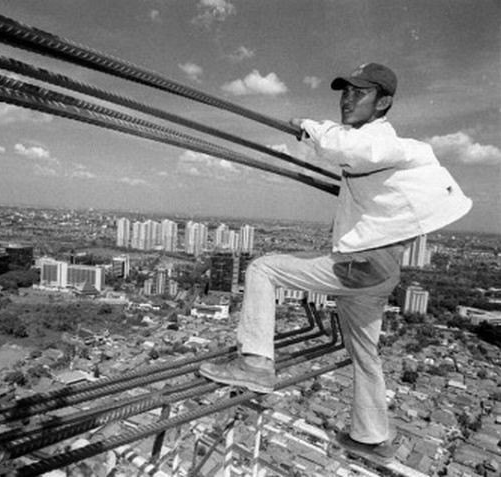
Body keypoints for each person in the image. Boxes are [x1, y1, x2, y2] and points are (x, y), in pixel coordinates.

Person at [199, 63, 472, 459]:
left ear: (384, 103)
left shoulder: (380, 141)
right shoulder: (380, 156)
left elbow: (351, 147)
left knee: (263, 268)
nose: (347, 98)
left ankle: (256, 363)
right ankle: (372, 437)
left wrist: (309, 128)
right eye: (345, 91)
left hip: (360, 266)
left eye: (359, 93)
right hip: (380, 272)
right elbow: (356, 159)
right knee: (365, 353)